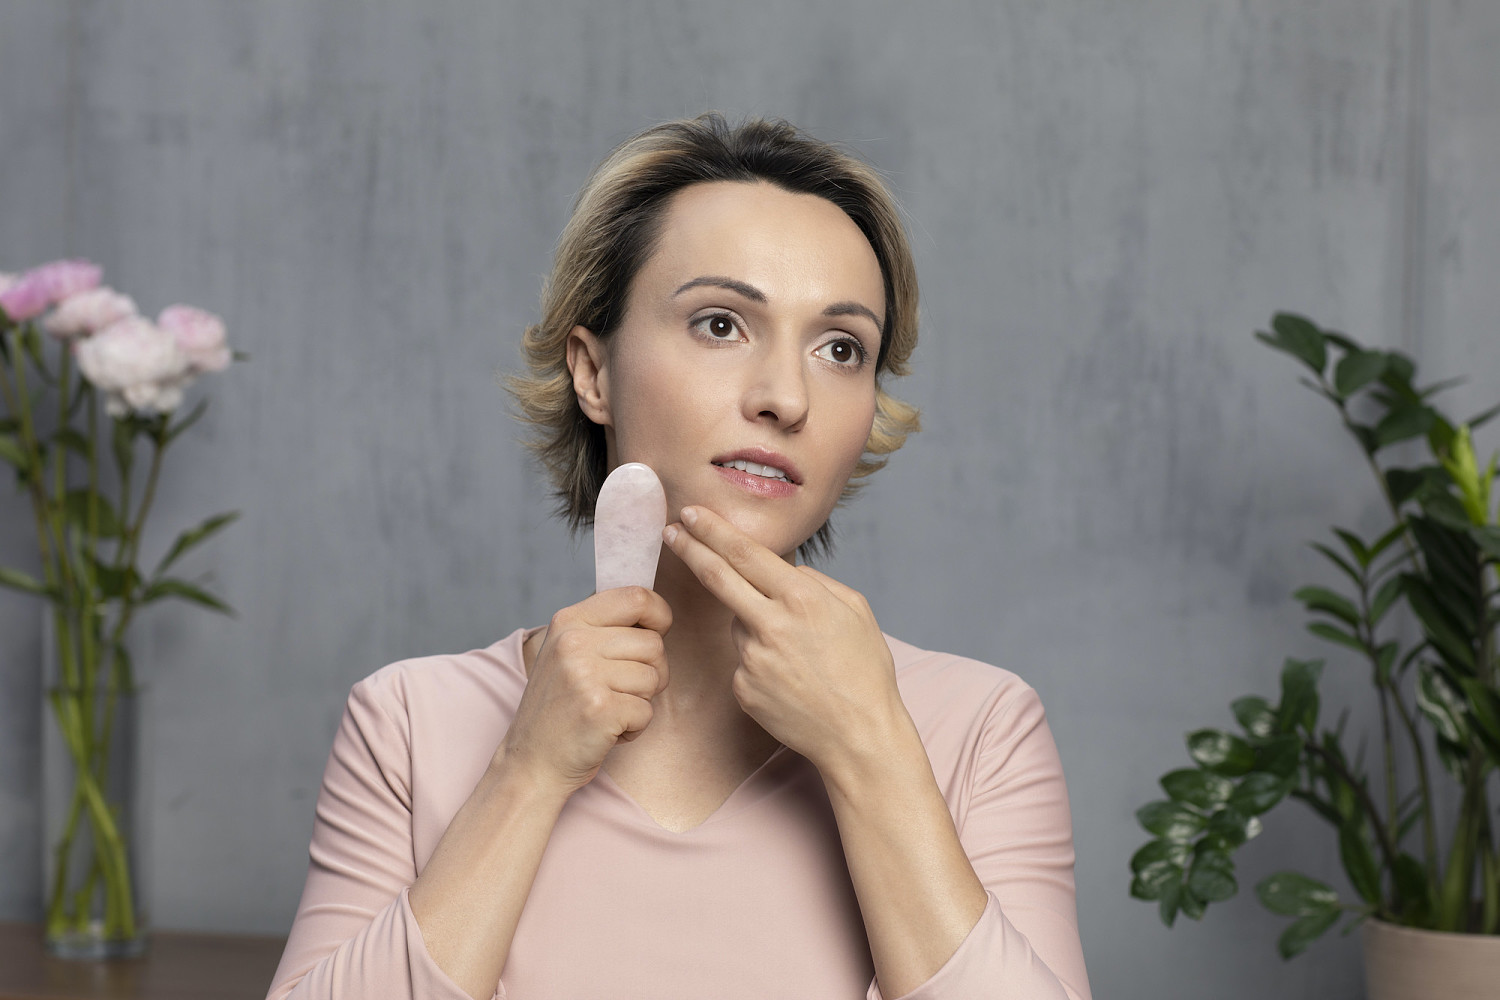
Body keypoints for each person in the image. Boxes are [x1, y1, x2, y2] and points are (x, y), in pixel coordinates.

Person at [266, 113, 1091, 1000]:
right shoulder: (409, 724)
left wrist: (871, 752)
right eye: (721, 324)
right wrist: (526, 771)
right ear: (592, 373)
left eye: (840, 348)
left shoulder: (981, 729)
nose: (785, 398)